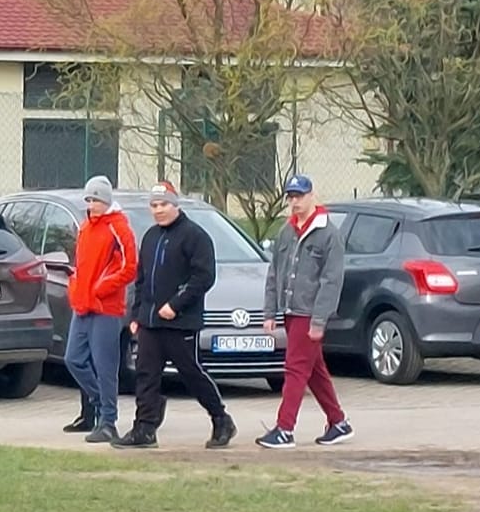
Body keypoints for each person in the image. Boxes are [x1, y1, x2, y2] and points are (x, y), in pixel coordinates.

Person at [114, 184, 234, 450]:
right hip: (150, 322)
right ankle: (145, 428)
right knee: (146, 374)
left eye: (164, 204)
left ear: (175, 205)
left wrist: (176, 305)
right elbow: (141, 280)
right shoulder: (150, 237)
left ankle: (221, 418)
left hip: (180, 323)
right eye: (154, 205)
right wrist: (136, 314)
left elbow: (203, 277)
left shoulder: (195, 236)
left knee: (191, 374)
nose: (158, 210)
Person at [258, 174, 350, 449]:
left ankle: (285, 428)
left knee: (295, 368)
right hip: (289, 310)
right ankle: (338, 422)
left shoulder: (329, 234)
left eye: (299, 196)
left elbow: (331, 281)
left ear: (312, 196)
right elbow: (274, 273)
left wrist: (319, 319)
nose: (294, 202)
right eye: (291, 197)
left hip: (309, 313)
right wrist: (269, 311)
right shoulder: (286, 232)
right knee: (314, 369)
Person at [62, 175, 138, 444]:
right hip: (82, 304)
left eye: (96, 199)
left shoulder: (119, 227)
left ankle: (108, 421)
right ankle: (99, 402)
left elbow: (129, 267)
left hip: (106, 307)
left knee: (106, 367)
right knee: (73, 359)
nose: (91, 204)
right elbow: (81, 265)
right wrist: (75, 286)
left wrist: (102, 287)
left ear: (106, 201)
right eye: (89, 199)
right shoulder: (85, 227)